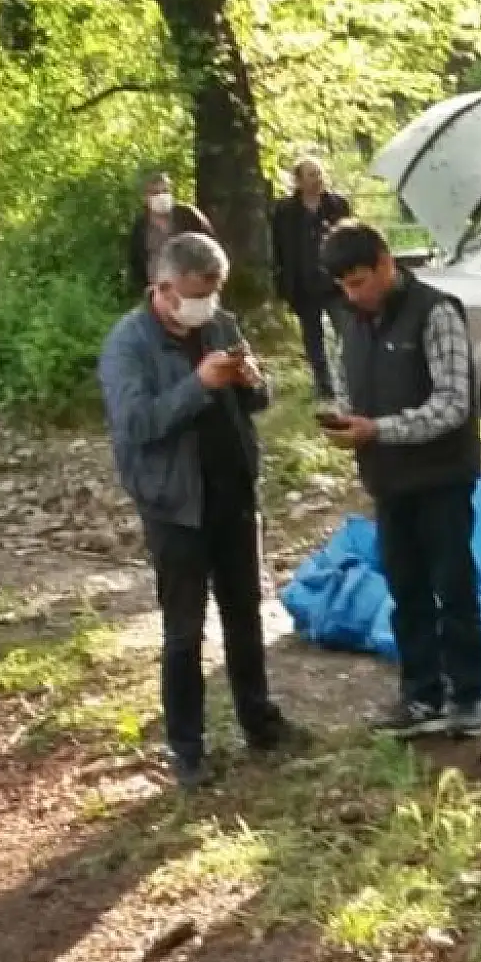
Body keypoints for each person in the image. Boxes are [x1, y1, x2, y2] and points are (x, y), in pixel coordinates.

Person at [98, 231, 306, 787]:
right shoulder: (128, 345)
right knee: (184, 631)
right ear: (163, 289)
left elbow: (257, 400)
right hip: (175, 506)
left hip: (234, 495)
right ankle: (187, 749)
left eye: (214, 292)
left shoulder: (219, 323)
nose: (206, 304)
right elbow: (137, 425)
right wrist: (198, 384)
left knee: (245, 617)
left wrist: (254, 381)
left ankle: (260, 722)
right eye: (196, 293)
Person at [318, 219, 481, 739]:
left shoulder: (436, 312)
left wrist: (379, 429)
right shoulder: (343, 320)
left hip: (441, 477)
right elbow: (344, 386)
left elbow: (453, 406)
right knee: (406, 591)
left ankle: (471, 695)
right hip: (387, 480)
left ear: (387, 263)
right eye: (345, 285)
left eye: (361, 281)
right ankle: (421, 697)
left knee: (454, 588)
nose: (355, 294)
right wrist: (343, 420)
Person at [269, 156, 351, 401]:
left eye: (319, 173)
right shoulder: (284, 211)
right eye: (311, 175)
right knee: (312, 337)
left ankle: (349, 379)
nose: (317, 179)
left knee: (346, 333)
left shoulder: (337, 205)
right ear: (298, 181)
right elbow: (279, 248)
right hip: (303, 285)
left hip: (336, 283)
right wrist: (282, 281)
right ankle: (323, 384)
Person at [127, 169, 213, 295]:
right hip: (157, 292)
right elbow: (136, 263)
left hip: (191, 288)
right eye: (155, 193)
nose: (161, 196)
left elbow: (211, 247)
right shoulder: (140, 227)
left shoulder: (189, 216)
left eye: (165, 191)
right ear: (145, 198)